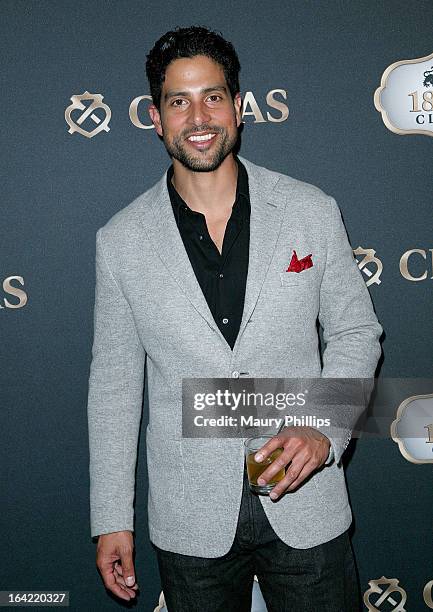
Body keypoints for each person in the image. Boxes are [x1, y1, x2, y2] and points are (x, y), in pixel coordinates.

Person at [87, 25, 382, 611]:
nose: (199, 116)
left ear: (239, 108)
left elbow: (356, 331)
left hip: (308, 503)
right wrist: (111, 518)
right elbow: (115, 386)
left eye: (213, 96)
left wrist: (323, 428)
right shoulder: (120, 241)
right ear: (155, 116)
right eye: (179, 100)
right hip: (190, 514)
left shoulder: (310, 210)